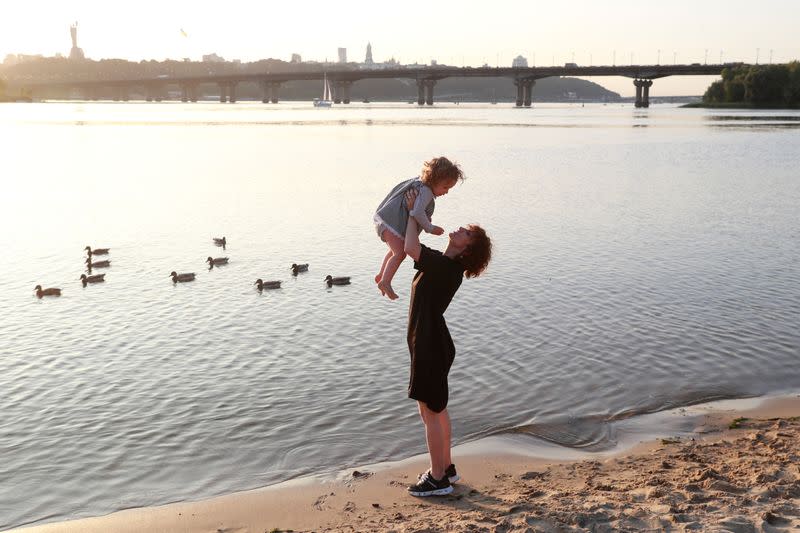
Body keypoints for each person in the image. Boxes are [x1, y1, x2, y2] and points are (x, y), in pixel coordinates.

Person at [401, 188, 493, 497]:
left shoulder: (445, 267)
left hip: (430, 344)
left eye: (467, 233)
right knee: (435, 409)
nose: (461, 229)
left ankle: (438, 478)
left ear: (467, 249)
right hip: (430, 342)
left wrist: (416, 213)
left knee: (430, 413)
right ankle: (447, 469)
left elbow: (410, 246)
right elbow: (414, 250)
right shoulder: (444, 263)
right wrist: (418, 215)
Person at [373, 157, 464, 300]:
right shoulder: (426, 192)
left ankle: (381, 275)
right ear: (434, 180)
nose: (446, 192)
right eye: (445, 187)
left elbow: (415, 210)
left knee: (394, 251)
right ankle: (385, 281)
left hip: (385, 219)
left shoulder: (419, 183)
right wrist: (430, 228)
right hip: (390, 222)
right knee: (400, 254)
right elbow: (416, 212)